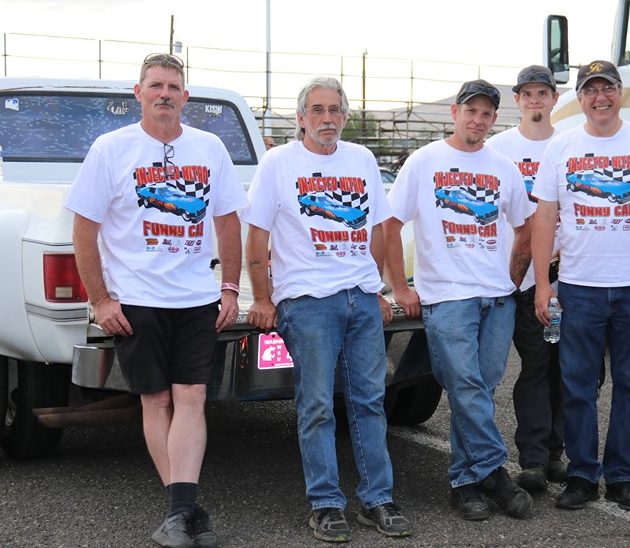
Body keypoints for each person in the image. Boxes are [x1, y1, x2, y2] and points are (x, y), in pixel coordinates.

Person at [66, 53, 248, 548]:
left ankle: (178, 516)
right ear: (138, 93)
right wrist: (100, 300)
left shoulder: (209, 148)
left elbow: (228, 220)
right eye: (156, 85)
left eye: (174, 86)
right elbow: (85, 226)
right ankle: (184, 513)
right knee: (158, 399)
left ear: (186, 96)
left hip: (194, 298)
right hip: (137, 299)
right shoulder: (111, 149)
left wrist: (229, 286)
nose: (165, 93)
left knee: (192, 396)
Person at [242, 76, 411, 543]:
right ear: (300, 119)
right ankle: (326, 503)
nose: (327, 119)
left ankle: (378, 499)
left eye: (335, 110)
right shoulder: (278, 163)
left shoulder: (362, 158)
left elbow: (377, 228)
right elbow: (257, 234)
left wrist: (375, 288)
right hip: (307, 302)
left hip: (359, 298)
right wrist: (262, 296)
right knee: (316, 404)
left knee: (369, 402)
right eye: (316, 110)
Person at [531, 60, 630, 512]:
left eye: (608, 88)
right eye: (591, 89)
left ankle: (622, 476)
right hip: (579, 288)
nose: (600, 97)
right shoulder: (560, 147)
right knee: (578, 386)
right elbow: (545, 217)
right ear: (580, 97)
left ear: (620, 93)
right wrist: (542, 283)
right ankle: (581, 474)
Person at [384, 79, 535, 522]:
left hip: (497, 299)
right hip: (447, 297)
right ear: (455, 112)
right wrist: (400, 287)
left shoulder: (504, 167)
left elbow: (524, 226)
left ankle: (464, 483)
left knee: (480, 391)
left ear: (493, 119)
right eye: (472, 111)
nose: (479, 119)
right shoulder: (425, 161)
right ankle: (497, 476)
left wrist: (512, 277)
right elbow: (390, 224)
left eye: (487, 113)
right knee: (466, 387)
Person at [485, 65, 566, 492]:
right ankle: (534, 458)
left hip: (561, 274)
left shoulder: (569, 144)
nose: (535, 100)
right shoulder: (498, 148)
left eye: (543, 93)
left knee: (564, 367)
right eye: (527, 94)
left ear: (555, 98)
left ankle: (556, 452)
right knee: (534, 363)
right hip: (514, 277)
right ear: (518, 100)